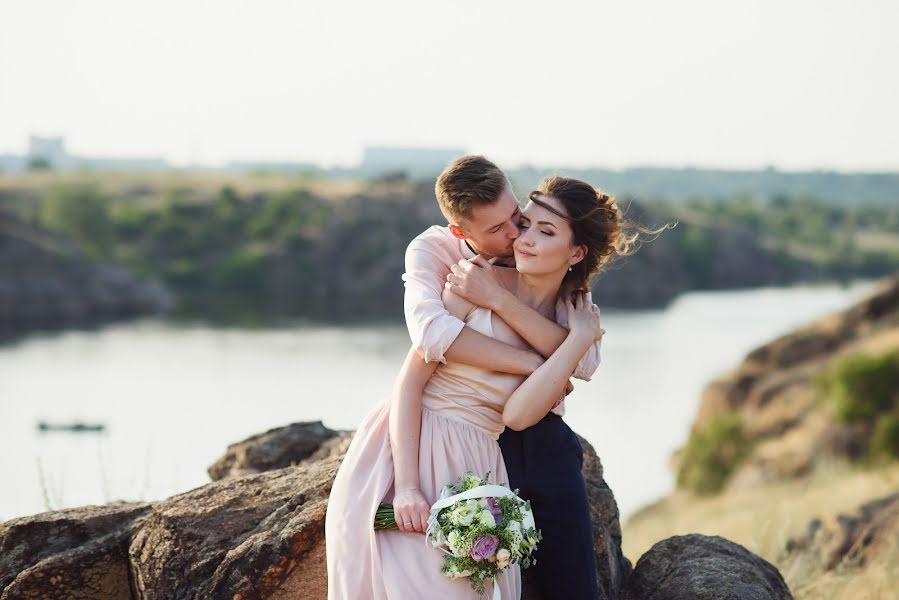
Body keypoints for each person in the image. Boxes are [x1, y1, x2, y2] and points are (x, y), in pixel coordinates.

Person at [326, 158, 639, 598]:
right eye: (519, 226)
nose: (519, 237)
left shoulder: (573, 305)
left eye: (528, 224)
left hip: (484, 454)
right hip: (424, 437)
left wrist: (572, 340)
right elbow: (415, 370)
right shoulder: (466, 275)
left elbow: (579, 368)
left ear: (576, 253)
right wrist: (410, 486)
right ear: (463, 232)